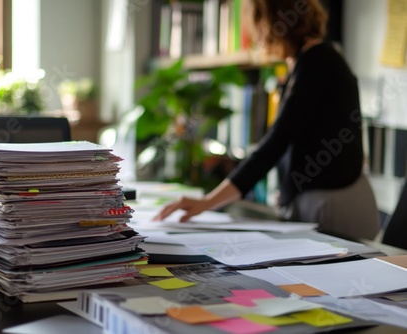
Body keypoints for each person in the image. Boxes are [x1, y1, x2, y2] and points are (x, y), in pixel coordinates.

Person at [154, 0, 380, 240]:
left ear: (274, 21)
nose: (256, 34)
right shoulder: (307, 62)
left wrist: (208, 202)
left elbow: (275, 143)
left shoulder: (318, 63)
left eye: (257, 22)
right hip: (326, 198)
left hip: (333, 204)